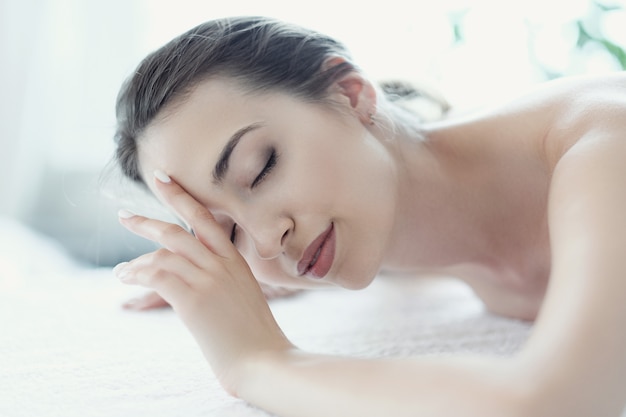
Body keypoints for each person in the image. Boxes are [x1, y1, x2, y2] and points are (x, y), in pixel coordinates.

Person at [112, 16, 626, 417]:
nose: (267, 241)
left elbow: (555, 403)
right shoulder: (401, 234)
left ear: (350, 94)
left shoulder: (601, 139)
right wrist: (229, 288)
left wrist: (257, 361)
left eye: (262, 168)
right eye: (227, 235)